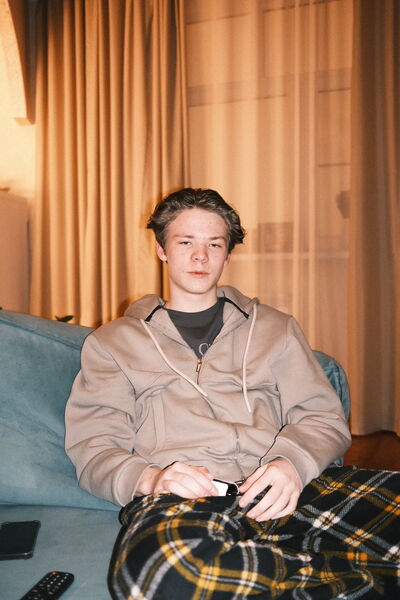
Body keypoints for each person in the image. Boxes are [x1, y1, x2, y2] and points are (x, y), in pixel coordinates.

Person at [65, 189, 399, 599]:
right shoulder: (113, 342)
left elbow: (323, 417)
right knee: (160, 578)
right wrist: (152, 478)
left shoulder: (276, 327)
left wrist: (292, 464)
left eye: (214, 244)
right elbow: (94, 447)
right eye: (185, 242)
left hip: (284, 488)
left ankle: (282, 570)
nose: (200, 256)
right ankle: (347, 572)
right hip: (183, 498)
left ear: (227, 254)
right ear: (162, 250)